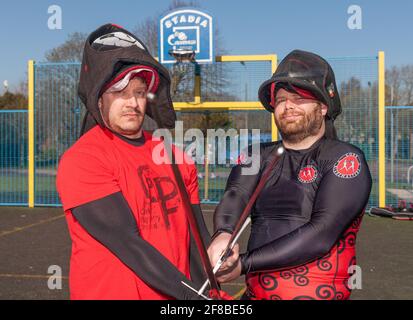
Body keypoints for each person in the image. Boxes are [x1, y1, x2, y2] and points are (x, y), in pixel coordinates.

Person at [56, 24, 211, 300]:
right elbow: (128, 243)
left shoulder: (177, 158)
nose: (132, 103)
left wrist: (211, 289)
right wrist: (194, 299)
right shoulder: (82, 160)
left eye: (139, 93)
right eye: (119, 92)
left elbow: (197, 241)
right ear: (99, 99)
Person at [208, 50, 372, 300]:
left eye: (298, 98)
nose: (288, 106)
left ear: (323, 107)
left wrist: (243, 264)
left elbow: (321, 233)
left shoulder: (345, 159)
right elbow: (236, 194)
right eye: (282, 99)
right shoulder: (258, 155)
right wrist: (223, 234)